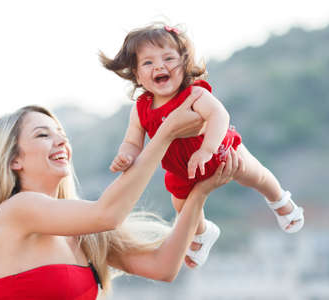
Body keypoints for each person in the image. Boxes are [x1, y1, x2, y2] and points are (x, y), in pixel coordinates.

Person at [0, 99, 243, 300]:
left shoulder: (83, 233)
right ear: (14, 159)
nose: (61, 141)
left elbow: (162, 267)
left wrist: (199, 193)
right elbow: (107, 214)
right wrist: (165, 134)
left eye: (62, 134)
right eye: (44, 135)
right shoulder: (16, 210)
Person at [100, 22, 305, 266]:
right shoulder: (141, 108)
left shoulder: (194, 94)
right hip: (181, 169)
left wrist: (206, 150)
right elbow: (132, 141)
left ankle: (280, 200)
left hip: (220, 152)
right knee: (181, 205)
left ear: (184, 63)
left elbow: (220, 116)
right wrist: (126, 155)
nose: (159, 66)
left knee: (256, 174)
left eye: (168, 58)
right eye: (148, 63)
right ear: (137, 75)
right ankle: (203, 232)